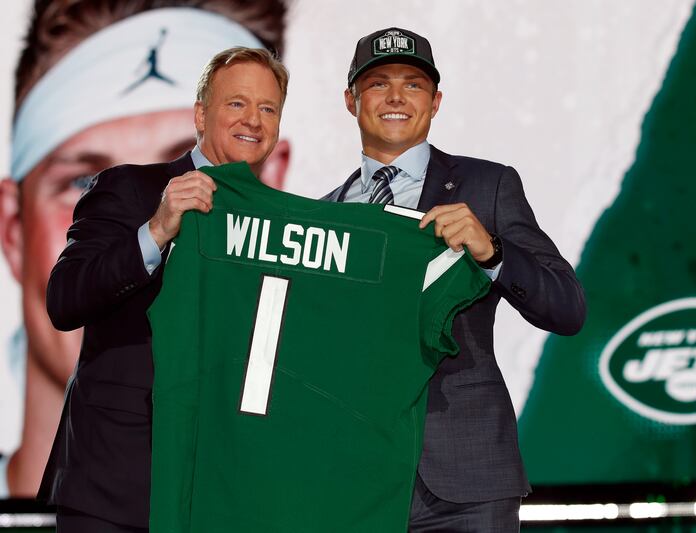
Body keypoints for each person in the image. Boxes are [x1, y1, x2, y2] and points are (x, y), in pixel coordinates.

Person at [0, 0, 289, 497]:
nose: (252, 121)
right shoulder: (130, 192)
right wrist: (155, 230)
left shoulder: (286, 231)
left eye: (266, 108)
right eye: (78, 178)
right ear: (13, 227)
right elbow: (66, 299)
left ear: (279, 166)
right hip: (104, 492)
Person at [324, 27, 586, 532]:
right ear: (351, 100)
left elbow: (568, 308)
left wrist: (493, 252)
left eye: (414, 84)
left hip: (466, 485)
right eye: (378, 83)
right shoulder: (322, 215)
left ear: (436, 101)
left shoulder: (487, 185)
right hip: (356, 481)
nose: (397, 96)